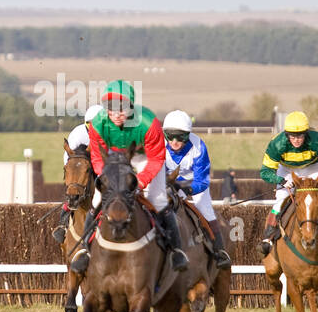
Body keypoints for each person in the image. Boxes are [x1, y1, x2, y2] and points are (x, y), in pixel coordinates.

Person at [69, 79, 188, 273]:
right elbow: (97, 158)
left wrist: (141, 181)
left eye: (121, 109)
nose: (116, 115)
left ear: (131, 107)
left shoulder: (149, 122)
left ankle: (176, 251)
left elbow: (157, 158)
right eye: (111, 109)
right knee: (96, 203)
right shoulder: (98, 123)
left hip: (144, 159)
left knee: (158, 201)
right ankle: (85, 251)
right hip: (114, 160)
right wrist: (108, 179)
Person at [258, 110, 318, 256]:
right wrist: (280, 181)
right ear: (287, 135)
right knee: (280, 201)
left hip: (312, 168)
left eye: (300, 135)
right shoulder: (277, 144)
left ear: (306, 133)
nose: (296, 140)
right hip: (287, 170)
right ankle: (267, 239)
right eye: (292, 136)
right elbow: (265, 172)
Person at [161, 111, 232, 269]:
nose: (174, 142)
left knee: (205, 210)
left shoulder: (199, 146)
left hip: (194, 185)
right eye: (170, 136)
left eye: (180, 137)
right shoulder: (158, 144)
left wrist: (188, 190)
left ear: (187, 135)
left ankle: (220, 252)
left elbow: (203, 180)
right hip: (167, 184)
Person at [52, 105, 103, 243]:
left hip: (101, 166)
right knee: (74, 188)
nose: (94, 128)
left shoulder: (111, 134)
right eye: (90, 124)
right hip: (80, 166)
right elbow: (69, 157)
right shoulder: (78, 134)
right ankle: (63, 223)